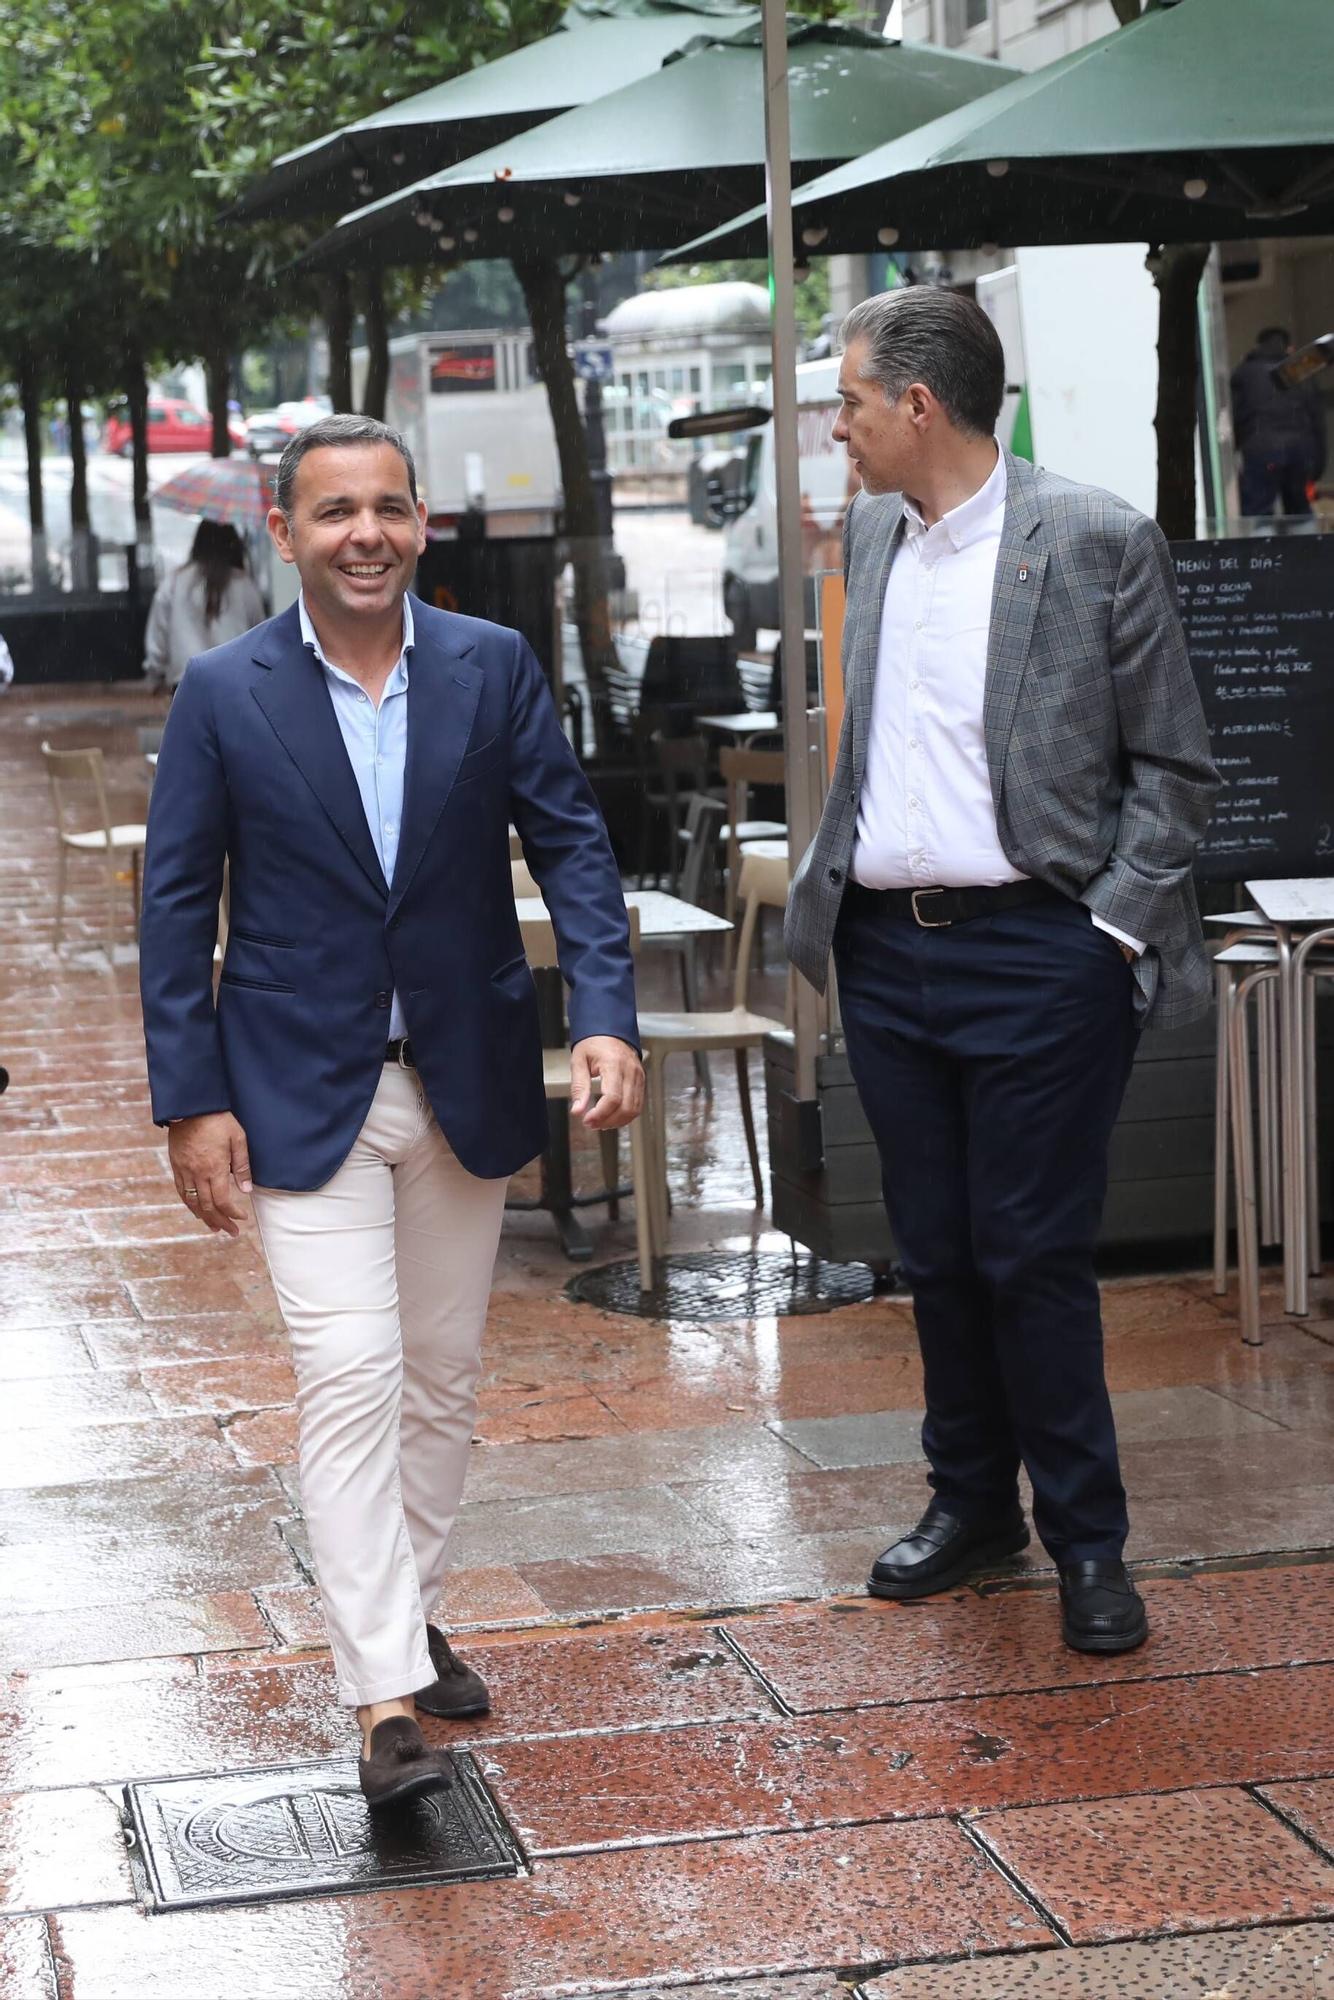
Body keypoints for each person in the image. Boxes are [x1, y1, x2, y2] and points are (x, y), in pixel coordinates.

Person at [139, 413, 644, 1808]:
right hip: (301, 1094)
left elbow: (574, 848)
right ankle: (379, 1702)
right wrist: (191, 1102)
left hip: (463, 1077)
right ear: (287, 532)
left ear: (422, 525)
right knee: (349, 1376)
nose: (364, 533)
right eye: (333, 512)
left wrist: (603, 1012)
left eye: (389, 509)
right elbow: (176, 906)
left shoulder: (491, 667)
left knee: (440, 1381)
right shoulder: (226, 693)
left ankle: (405, 1612)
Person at [785, 290, 1218, 1657]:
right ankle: (969, 1507)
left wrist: (1106, 932)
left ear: (915, 406)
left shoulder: (1091, 537)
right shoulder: (867, 533)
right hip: (887, 950)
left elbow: (1174, 769)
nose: (833, 429)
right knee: (937, 1255)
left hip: (1042, 952)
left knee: (1031, 1256)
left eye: (845, 401)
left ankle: (1088, 1542)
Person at [143, 519, 266, 691]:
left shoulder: (175, 581)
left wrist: (155, 674)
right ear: (232, 545)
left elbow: (159, 634)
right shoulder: (243, 584)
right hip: (233, 682)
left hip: (186, 682)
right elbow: (259, 635)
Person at [1230, 326, 1327, 519]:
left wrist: (1240, 446)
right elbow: (1317, 419)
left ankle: (1261, 549)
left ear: (1258, 346)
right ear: (1289, 348)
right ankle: (1305, 548)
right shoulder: (1300, 368)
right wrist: (1318, 463)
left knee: (1258, 515)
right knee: (1300, 511)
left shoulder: (1245, 372)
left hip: (1260, 451)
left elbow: (1237, 416)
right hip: (1300, 451)